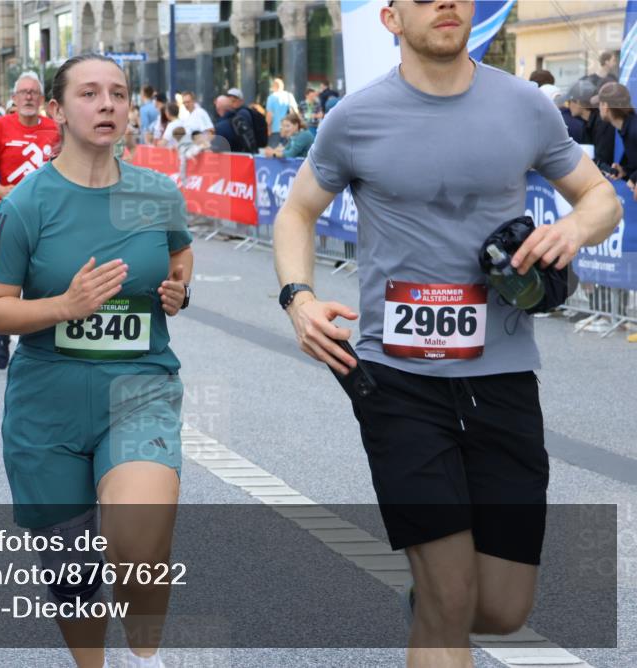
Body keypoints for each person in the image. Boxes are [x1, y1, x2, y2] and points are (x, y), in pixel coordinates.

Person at [273, 2, 621, 667]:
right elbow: (297, 212)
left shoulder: (525, 106)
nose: (446, 2)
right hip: (396, 379)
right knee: (451, 598)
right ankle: (437, 605)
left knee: (504, 608)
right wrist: (299, 297)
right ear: (391, 18)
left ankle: (432, 604)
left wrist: (574, 228)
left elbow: (600, 196)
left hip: (502, 375)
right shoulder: (355, 118)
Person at [0, 52, 193, 668]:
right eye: (89, 93)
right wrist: (64, 306)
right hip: (48, 403)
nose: (107, 105)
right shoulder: (25, 205)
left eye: (118, 93)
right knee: (73, 574)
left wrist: (178, 290)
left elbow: (179, 255)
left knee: (139, 548)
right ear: (58, 110)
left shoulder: (157, 193)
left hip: (138, 388)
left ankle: (144, 648)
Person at [0, 71, 61, 370]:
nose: (28, 97)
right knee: (8, 280)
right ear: (14, 98)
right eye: (23, 92)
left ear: (42, 99)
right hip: (9, 213)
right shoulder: (1, 126)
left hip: (47, 215)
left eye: (33, 92)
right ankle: (3, 333)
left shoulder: (55, 129)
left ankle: (42, 338)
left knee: (43, 276)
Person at [563, 79, 614, 172]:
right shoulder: (587, 123)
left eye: (569, 102)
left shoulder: (602, 123)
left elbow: (603, 160)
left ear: (578, 102)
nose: (568, 106)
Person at [265, 78, 300, 147]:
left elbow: (269, 115)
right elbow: (296, 112)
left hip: (275, 129)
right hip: (289, 129)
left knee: (273, 151)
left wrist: (268, 128)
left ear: (274, 86)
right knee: (287, 150)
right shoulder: (289, 96)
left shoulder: (272, 97)